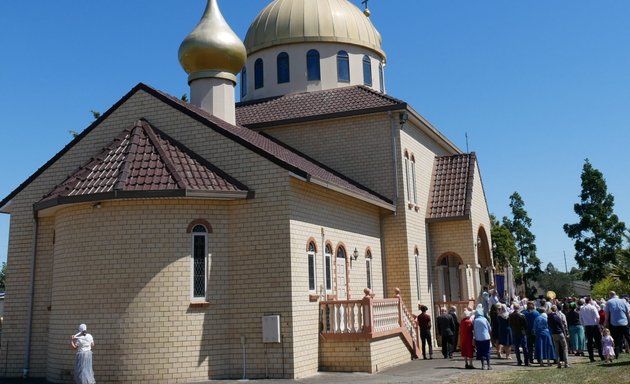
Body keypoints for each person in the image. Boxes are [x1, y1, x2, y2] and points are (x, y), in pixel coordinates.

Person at [605, 291, 630, 359]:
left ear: (610, 295)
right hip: (624, 322)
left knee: (616, 339)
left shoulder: (609, 302)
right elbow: (627, 312)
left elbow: (607, 314)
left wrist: (606, 323)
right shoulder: (623, 301)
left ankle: (616, 354)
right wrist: (629, 321)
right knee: (628, 338)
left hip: (614, 323)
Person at [580, 296, 603, 362]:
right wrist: (597, 323)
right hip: (594, 325)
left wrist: (583, 325)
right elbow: (598, 317)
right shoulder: (593, 307)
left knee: (589, 342)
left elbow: (580, 318)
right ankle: (601, 356)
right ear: (590, 301)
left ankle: (591, 357)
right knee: (598, 341)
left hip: (587, 326)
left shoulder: (582, 308)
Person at [473, 306, 492, 370]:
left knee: (480, 351)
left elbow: (474, 330)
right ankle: (489, 365)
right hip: (486, 337)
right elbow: (489, 328)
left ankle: (483, 365)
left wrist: (474, 337)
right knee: (487, 351)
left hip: (478, 338)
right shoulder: (485, 319)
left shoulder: (475, 320)